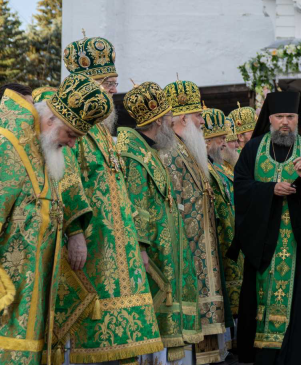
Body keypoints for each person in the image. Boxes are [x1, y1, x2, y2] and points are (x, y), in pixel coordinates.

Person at [56, 38, 164, 364]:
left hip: (122, 247)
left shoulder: (104, 131)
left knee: (128, 340)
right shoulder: (75, 127)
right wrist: (75, 232)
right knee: (94, 336)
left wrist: (138, 245)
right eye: (107, 85)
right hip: (93, 244)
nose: (112, 93)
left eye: (113, 85)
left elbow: (120, 191)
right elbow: (68, 178)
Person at [0, 76, 110, 365]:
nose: (72, 145)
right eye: (71, 134)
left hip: (34, 289)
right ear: (50, 121)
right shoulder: (10, 142)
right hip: (8, 292)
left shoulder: (43, 147)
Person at [230, 91, 301, 363]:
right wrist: (269, 190)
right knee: (259, 294)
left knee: (296, 296)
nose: (285, 122)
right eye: (279, 116)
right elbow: (240, 187)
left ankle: (293, 352)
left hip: (296, 240)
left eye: (290, 116)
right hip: (262, 239)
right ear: (269, 118)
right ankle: (261, 352)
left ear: (297, 119)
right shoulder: (253, 149)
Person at [119, 82, 203, 364]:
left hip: (164, 244)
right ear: (158, 120)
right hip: (151, 250)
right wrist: (141, 247)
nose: (172, 121)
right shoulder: (133, 152)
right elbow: (135, 203)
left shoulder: (150, 149)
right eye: (169, 117)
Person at [160, 80, 228, 363]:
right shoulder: (169, 151)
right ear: (184, 118)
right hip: (184, 248)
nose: (203, 121)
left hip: (202, 244)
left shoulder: (188, 148)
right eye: (198, 116)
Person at [203, 107, 242, 331]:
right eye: (221, 139)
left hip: (232, 232)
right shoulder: (206, 166)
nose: (225, 144)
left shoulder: (220, 166)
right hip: (219, 234)